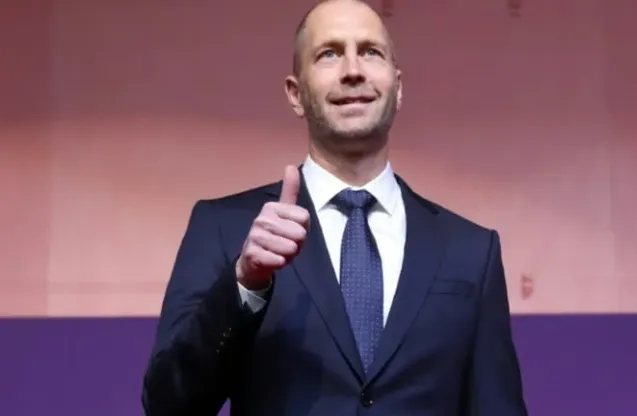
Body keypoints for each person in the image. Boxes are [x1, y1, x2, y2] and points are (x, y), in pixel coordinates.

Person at [141, 0, 528, 414]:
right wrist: (244, 284)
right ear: (295, 94)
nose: (353, 70)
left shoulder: (471, 251)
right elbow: (167, 404)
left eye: (370, 52)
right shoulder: (225, 229)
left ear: (398, 88)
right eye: (329, 54)